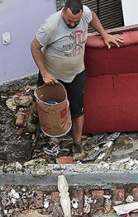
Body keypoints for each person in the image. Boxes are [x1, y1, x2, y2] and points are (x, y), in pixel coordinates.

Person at [30, 0, 122, 156]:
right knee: (47, 105)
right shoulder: (50, 26)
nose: (73, 25)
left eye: (76, 22)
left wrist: (104, 34)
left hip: (76, 73)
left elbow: (92, 16)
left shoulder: (85, 12)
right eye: (69, 21)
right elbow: (35, 47)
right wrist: (44, 73)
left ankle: (77, 144)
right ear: (63, 12)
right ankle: (34, 118)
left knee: (77, 110)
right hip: (52, 76)